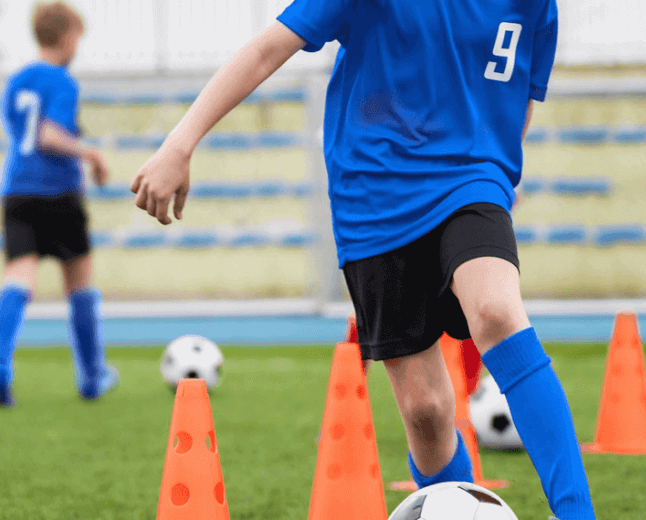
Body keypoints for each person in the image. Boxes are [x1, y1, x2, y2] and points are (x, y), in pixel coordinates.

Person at [130, 2, 594, 519]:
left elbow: (518, 96)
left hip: (472, 180)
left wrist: (502, 172)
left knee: (497, 312)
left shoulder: (535, 5)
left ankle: (576, 513)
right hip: (373, 196)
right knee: (427, 411)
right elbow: (267, 50)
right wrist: (179, 143)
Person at [0, 1, 116, 407]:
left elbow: (19, 132)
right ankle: (92, 376)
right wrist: (91, 154)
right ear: (69, 36)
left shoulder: (17, 80)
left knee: (18, 276)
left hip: (17, 189)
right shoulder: (62, 81)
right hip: (57, 192)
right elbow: (49, 136)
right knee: (80, 284)